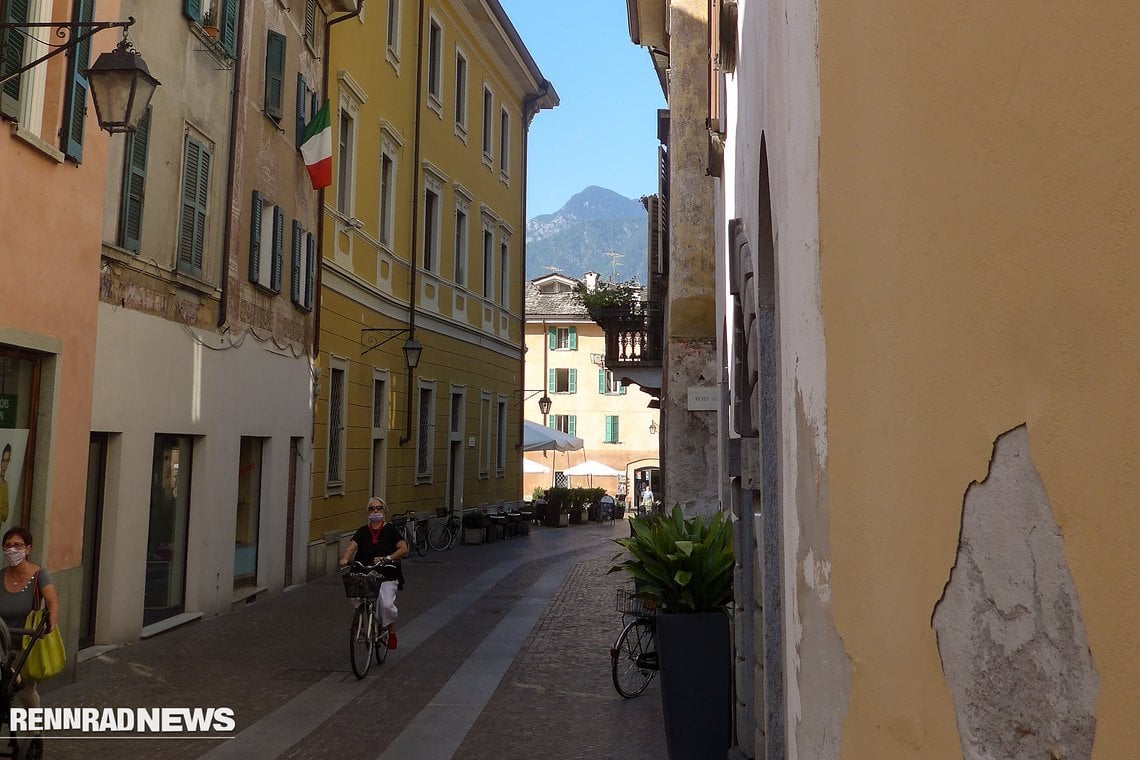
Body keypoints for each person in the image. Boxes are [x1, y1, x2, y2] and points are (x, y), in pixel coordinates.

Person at [338, 498, 407, 649]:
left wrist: (387, 558)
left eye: (379, 508)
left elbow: (403, 548)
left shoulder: (390, 530)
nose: (375, 511)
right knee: (356, 593)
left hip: (386, 572)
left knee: (386, 605)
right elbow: (352, 547)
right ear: (367, 512)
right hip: (364, 570)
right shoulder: (363, 531)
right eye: (372, 508)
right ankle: (361, 617)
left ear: (384, 511)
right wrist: (345, 558)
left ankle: (391, 631)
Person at [0, 527, 58, 708]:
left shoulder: (39, 575)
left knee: (26, 692)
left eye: (18, 545)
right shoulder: (0, 576)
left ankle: (35, 732)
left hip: (27, 643)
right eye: (8, 545)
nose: (12, 549)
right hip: (2, 644)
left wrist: (50, 624)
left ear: (28, 549)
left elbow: (52, 602)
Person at [0, 444, 11, 525]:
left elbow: (5, 516)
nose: (5, 465)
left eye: (7, 461)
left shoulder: (4, 484)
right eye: (3, 460)